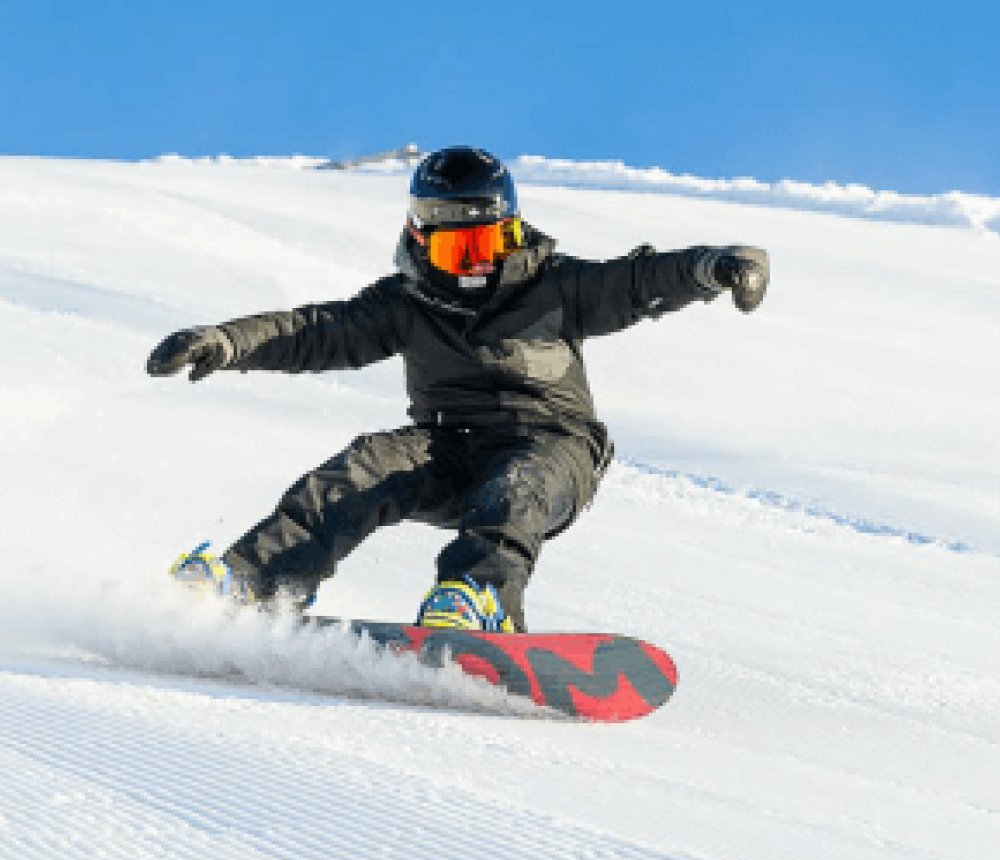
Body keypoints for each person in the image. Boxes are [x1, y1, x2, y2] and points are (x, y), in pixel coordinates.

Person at [147, 146, 769, 631]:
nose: (476, 262)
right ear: (421, 238)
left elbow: (638, 282)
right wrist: (228, 341)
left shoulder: (555, 285)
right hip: (448, 449)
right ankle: (256, 585)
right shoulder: (406, 303)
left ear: (513, 231)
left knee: (514, 490)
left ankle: (479, 600)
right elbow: (317, 331)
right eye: (457, 246)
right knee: (362, 468)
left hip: (554, 449)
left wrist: (714, 266)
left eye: (489, 242)